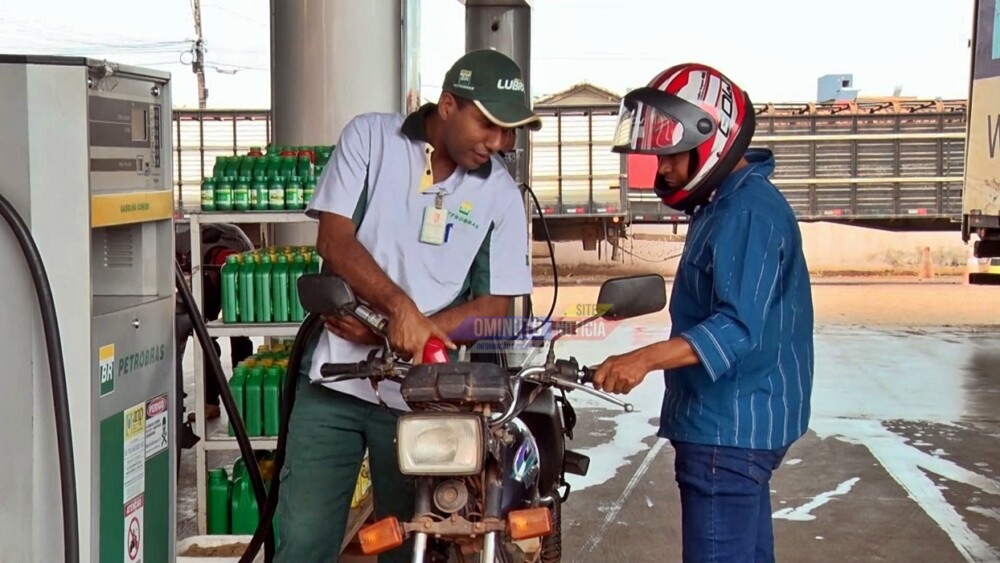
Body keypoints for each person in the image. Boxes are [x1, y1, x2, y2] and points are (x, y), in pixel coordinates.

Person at [274, 49, 541, 563]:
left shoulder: (501, 196)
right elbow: (334, 240)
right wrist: (398, 309)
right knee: (304, 540)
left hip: (426, 397)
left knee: (416, 545)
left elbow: (497, 309)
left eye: (509, 132)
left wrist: (408, 327)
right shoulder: (370, 139)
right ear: (447, 105)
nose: (499, 142)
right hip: (336, 380)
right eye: (488, 124)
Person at [591, 63, 814, 563]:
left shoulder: (745, 212)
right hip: (733, 428)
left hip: (729, 433)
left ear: (710, 139)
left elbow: (736, 326)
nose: (662, 170)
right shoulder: (725, 204)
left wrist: (642, 359)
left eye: (670, 156)